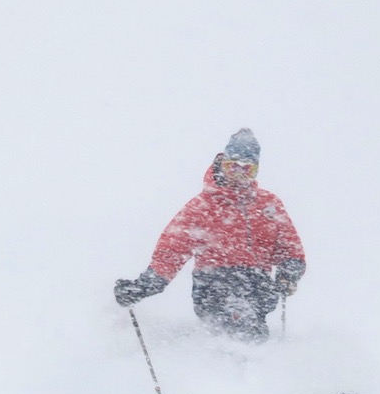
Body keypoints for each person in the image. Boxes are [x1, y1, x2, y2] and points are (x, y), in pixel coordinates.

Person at [114, 128, 306, 342]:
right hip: (213, 281)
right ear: (222, 165)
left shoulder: (268, 205)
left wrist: (289, 271)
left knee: (251, 323)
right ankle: (218, 361)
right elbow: (172, 249)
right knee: (231, 323)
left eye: (247, 170)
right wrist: (146, 285)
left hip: (257, 283)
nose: (239, 175)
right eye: (233, 167)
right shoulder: (202, 207)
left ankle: (251, 366)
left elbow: (289, 247)